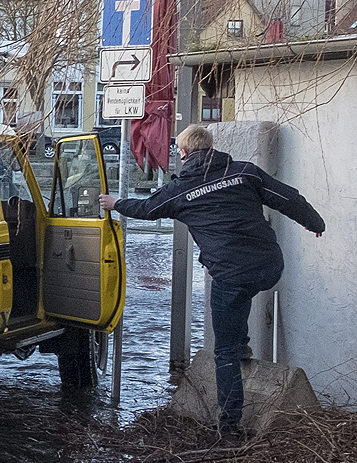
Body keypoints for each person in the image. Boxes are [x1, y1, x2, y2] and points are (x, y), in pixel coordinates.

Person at [99, 125, 324, 440]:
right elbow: (287, 197)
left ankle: (230, 427)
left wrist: (115, 203)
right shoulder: (245, 172)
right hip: (270, 266)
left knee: (225, 349)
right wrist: (314, 222)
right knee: (240, 294)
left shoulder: (181, 190)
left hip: (231, 272)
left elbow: (146, 209)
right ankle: (240, 343)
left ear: (184, 153)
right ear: (211, 146)